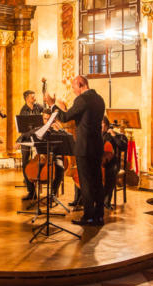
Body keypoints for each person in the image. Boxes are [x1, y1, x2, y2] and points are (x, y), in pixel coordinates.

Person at [45, 75, 105, 226]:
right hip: (97, 145)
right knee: (97, 181)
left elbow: (65, 117)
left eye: (73, 87)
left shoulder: (82, 100)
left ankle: (88, 216)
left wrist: (52, 105)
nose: (73, 91)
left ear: (81, 84)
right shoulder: (99, 99)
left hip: (84, 147)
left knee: (85, 183)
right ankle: (99, 215)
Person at [18, 90, 43, 200]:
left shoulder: (38, 107)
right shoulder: (23, 110)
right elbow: (23, 127)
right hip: (26, 137)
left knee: (40, 159)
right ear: (27, 98)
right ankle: (31, 191)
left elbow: (47, 111)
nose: (34, 98)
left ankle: (40, 179)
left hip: (37, 136)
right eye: (32, 96)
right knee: (25, 162)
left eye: (34, 96)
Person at [102, 116, 128, 209]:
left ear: (107, 125)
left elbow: (123, 146)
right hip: (99, 162)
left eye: (102, 123)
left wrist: (114, 135)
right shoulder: (96, 134)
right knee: (81, 169)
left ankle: (106, 202)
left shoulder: (113, 135)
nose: (100, 125)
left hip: (112, 163)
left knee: (110, 172)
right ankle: (79, 199)